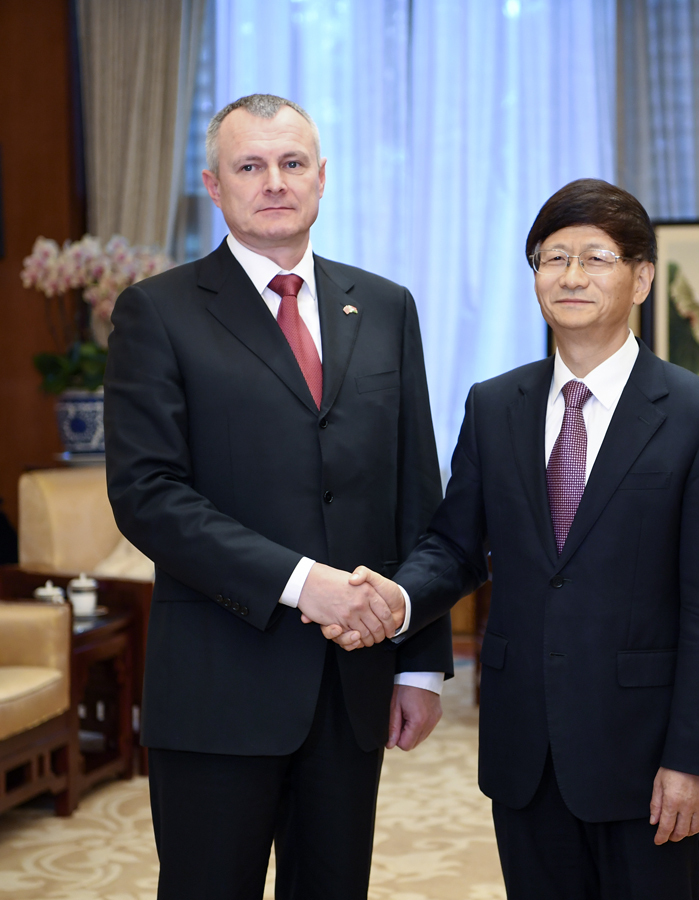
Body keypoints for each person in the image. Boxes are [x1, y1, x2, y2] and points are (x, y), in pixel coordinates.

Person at [329, 179, 699, 899]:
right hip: (524, 746)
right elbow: (455, 546)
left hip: (644, 751)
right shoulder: (494, 404)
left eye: (596, 258)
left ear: (641, 278)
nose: (571, 276)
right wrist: (399, 599)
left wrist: (694, 758)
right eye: (553, 258)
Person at [103, 93, 451, 900]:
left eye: (292, 163)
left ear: (321, 177)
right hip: (218, 683)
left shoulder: (386, 306)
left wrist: (421, 666)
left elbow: (416, 494)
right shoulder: (156, 311)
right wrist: (303, 583)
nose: (274, 182)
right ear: (213, 185)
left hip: (351, 685)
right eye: (250, 166)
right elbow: (148, 495)